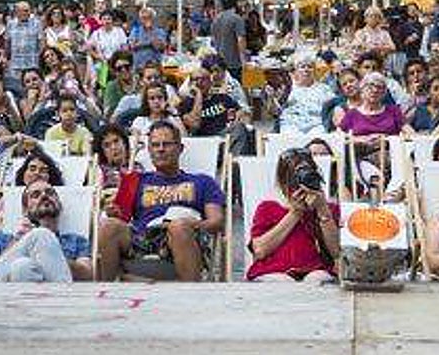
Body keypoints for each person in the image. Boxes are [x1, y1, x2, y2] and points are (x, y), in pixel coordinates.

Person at [99, 121, 226, 281]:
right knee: (108, 226)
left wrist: (190, 225)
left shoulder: (202, 182)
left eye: (166, 144)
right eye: (155, 145)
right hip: (143, 240)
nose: (160, 149)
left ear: (180, 149)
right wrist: (113, 212)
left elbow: (217, 221)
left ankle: (193, 297)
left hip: (183, 238)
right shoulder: (136, 181)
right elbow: (121, 217)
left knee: (178, 227)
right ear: (149, 150)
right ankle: (106, 293)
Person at [245, 148, 342, 282]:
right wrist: (295, 213)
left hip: (315, 270)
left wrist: (322, 210)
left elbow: (337, 253)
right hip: (273, 271)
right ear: (284, 181)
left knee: (318, 279)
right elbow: (260, 250)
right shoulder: (268, 208)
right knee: (282, 282)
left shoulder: (329, 209)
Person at [0, 179, 92, 281]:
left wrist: (49, 254)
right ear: (25, 210)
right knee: (40, 236)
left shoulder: (76, 241)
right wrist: (18, 242)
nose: (44, 196)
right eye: (36, 195)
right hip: (1, 294)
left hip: (34, 301)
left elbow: (88, 276)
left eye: (50, 193)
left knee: (22, 267)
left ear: (59, 205)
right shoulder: (0, 240)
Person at [277, 52, 336, 135]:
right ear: (296, 71)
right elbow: (277, 111)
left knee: (318, 135)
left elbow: (335, 105)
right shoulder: (289, 89)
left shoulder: (324, 89)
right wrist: (272, 98)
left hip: (317, 124)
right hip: (291, 124)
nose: (306, 70)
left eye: (310, 67)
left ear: (314, 71)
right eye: (302, 67)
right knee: (290, 136)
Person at [5, 1, 42, 93]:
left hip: (32, 64)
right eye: (24, 11)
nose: (27, 13)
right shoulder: (10, 24)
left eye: (28, 11)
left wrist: (38, 57)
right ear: (17, 12)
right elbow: (7, 42)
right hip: (16, 65)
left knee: (33, 90)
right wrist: (7, 58)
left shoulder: (36, 23)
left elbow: (41, 42)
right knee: (17, 89)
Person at [211, 0, 247, 80]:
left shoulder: (216, 19)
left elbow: (213, 40)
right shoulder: (237, 19)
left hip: (220, 62)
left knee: (224, 89)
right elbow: (241, 40)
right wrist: (244, 60)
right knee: (235, 89)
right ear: (235, 4)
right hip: (234, 63)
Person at [128, 7, 168, 72]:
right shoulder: (135, 31)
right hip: (139, 65)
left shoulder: (159, 31)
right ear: (140, 19)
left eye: (149, 17)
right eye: (144, 18)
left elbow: (159, 47)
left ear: (153, 18)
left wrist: (149, 32)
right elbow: (132, 46)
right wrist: (149, 43)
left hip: (154, 66)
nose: (146, 20)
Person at [93, 123, 131, 188]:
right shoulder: (99, 174)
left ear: (124, 143)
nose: (113, 147)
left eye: (116, 141)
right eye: (107, 145)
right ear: (103, 152)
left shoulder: (137, 168)